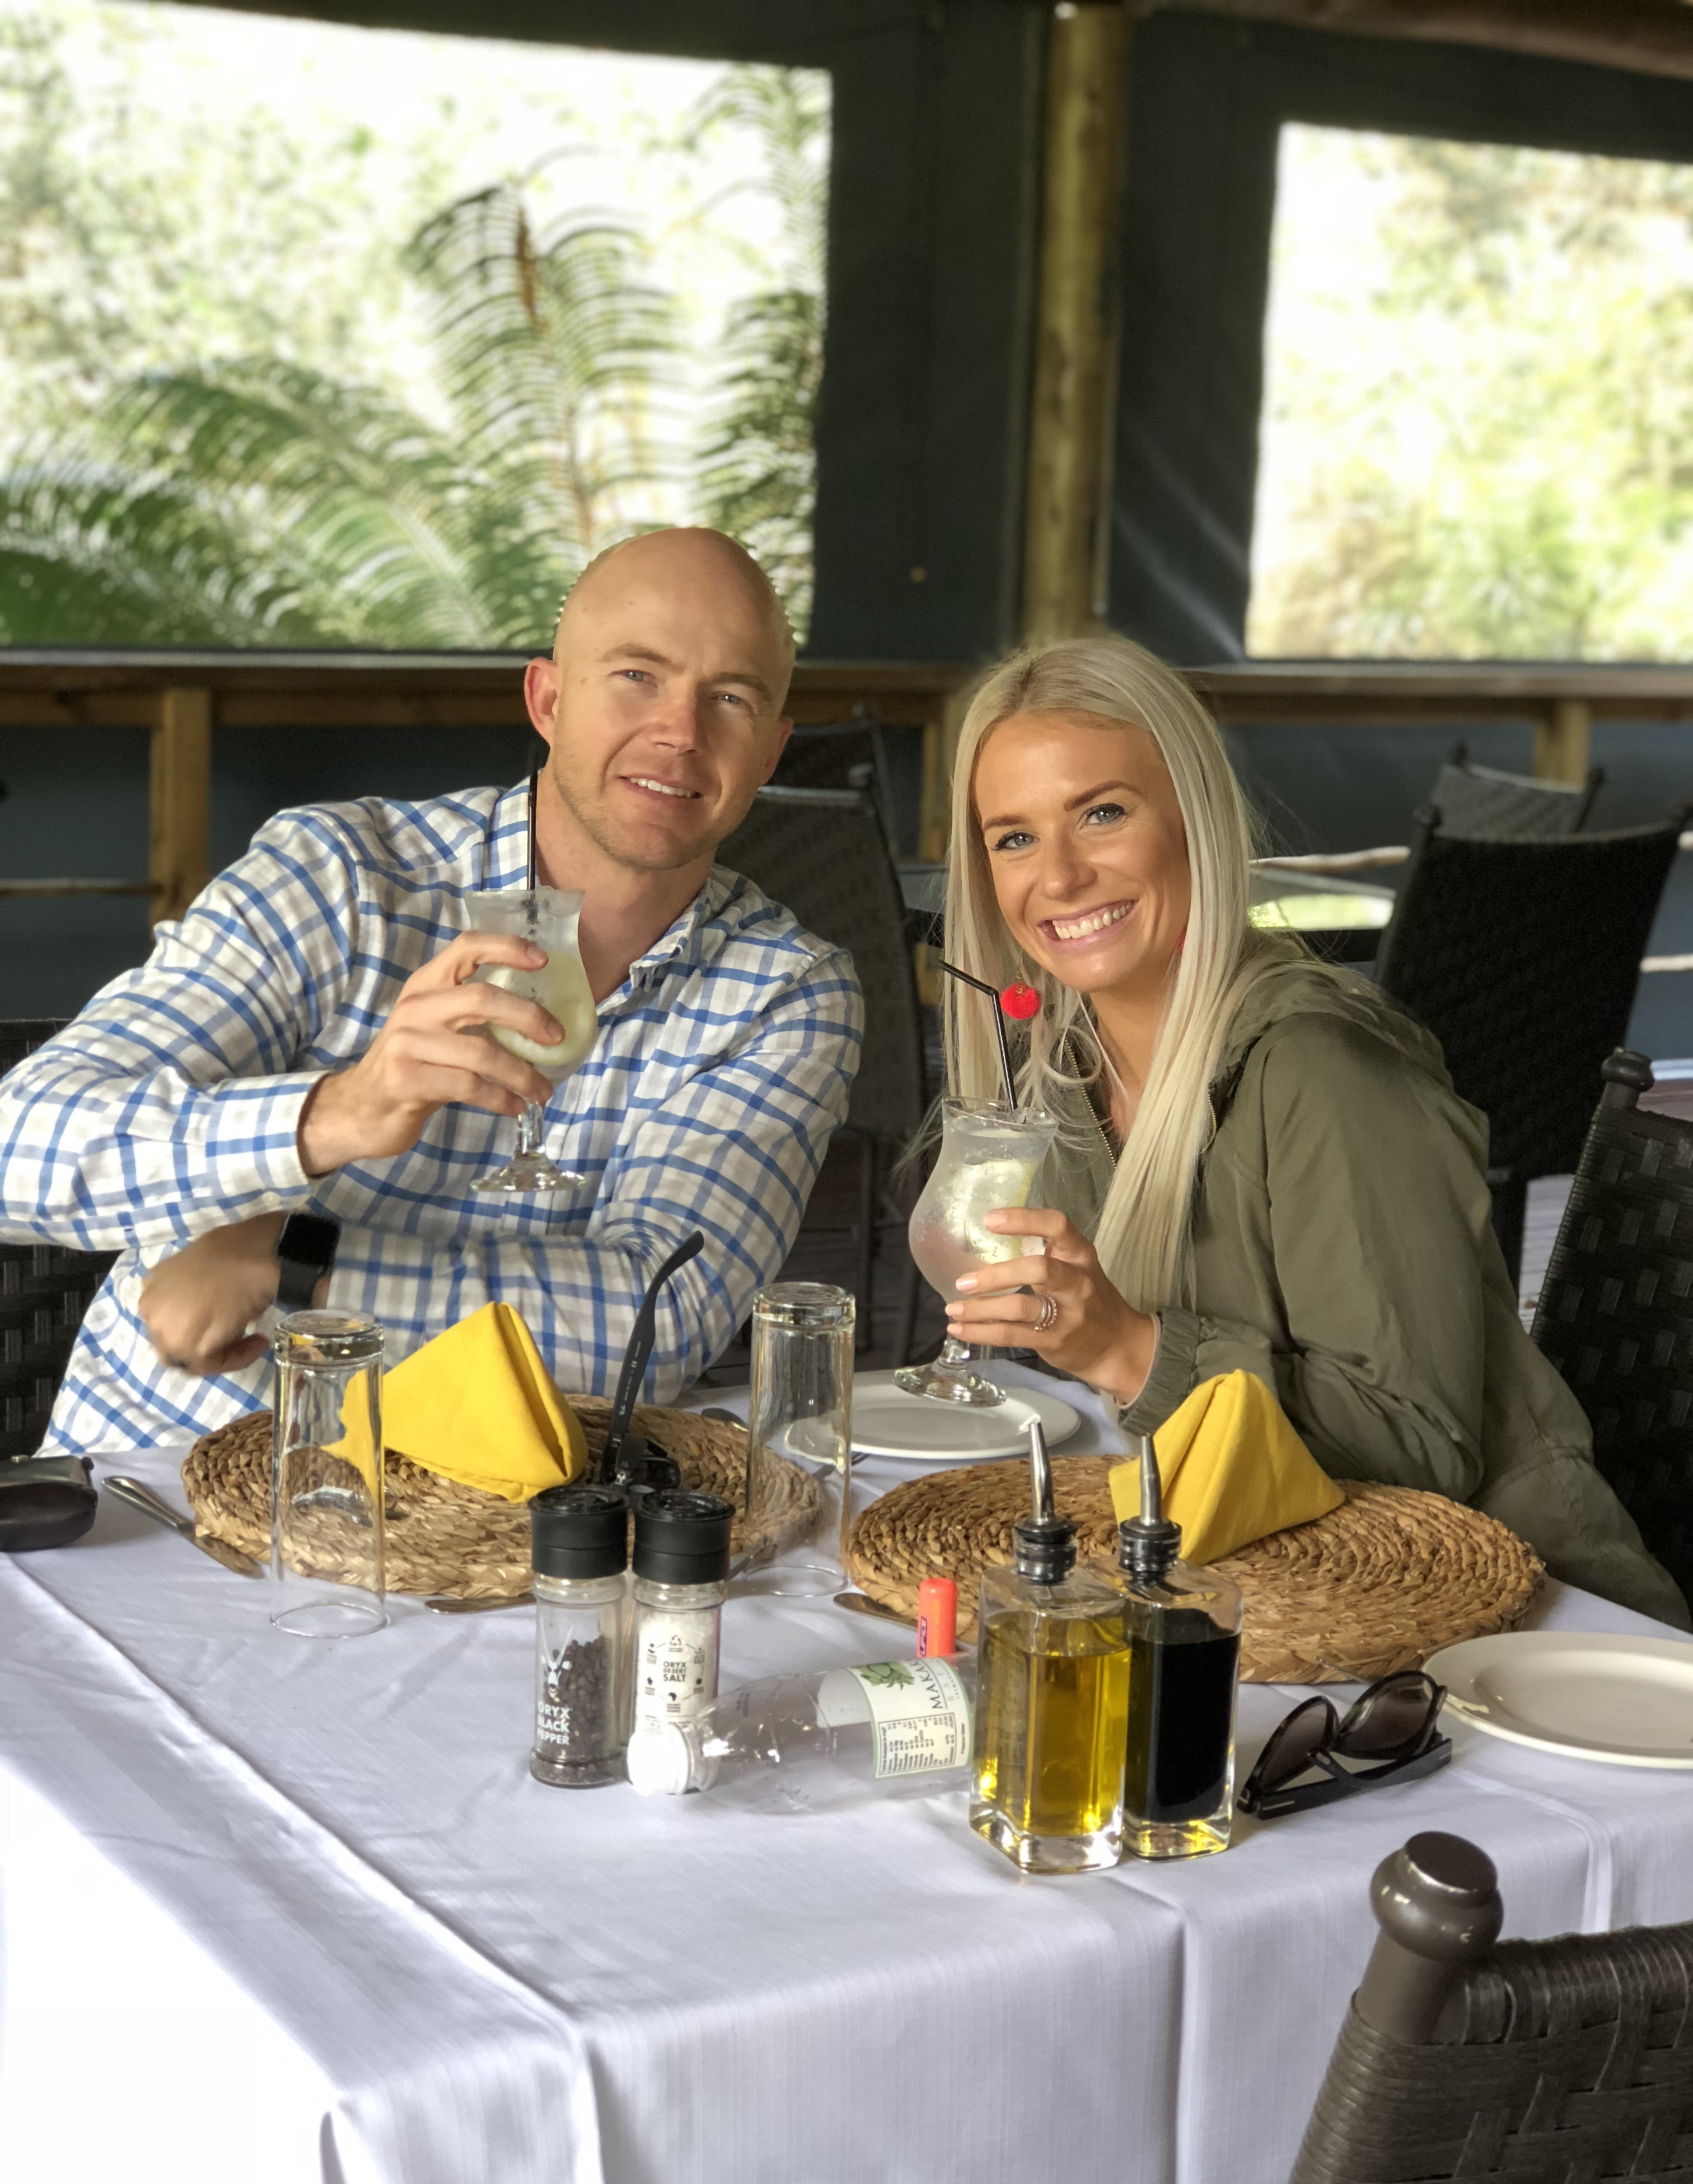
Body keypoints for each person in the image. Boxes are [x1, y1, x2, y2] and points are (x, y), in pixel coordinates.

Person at [0, 528, 863, 1450]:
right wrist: (331, 1116)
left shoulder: (783, 991)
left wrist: (291, 1259)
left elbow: (659, 1326)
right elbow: (18, 1146)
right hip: (167, 1469)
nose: (680, 733)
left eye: (729, 698)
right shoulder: (342, 877)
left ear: (770, 751)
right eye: (636, 676)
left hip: (500, 1513)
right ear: (549, 700)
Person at [933, 632, 1685, 1627]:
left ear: (1195, 819)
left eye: (1102, 813)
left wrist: (1129, 1350)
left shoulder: (1323, 1067)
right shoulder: (1066, 1073)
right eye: (1014, 837)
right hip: (1275, 1590)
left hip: (1526, 1617)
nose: (1060, 876)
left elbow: (1417, 1446)